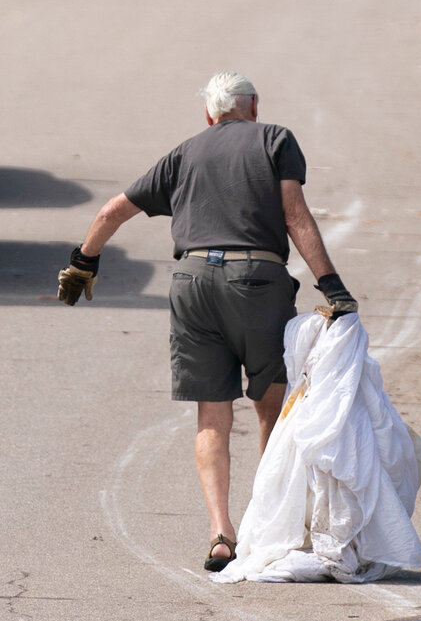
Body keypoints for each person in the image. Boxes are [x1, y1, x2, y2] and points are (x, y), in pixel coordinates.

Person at [55, 71, 357, 571]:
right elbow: (296, 216)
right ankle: (271, 528)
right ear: (253, 106)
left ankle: (221, 532)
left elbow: (112, 211)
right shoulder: (276, 140)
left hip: (192, 283)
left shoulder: (185, 152)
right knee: (272, 408)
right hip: (257, 282)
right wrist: (333, 287)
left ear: (209, 114)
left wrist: (83, 261)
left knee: (212, 415)